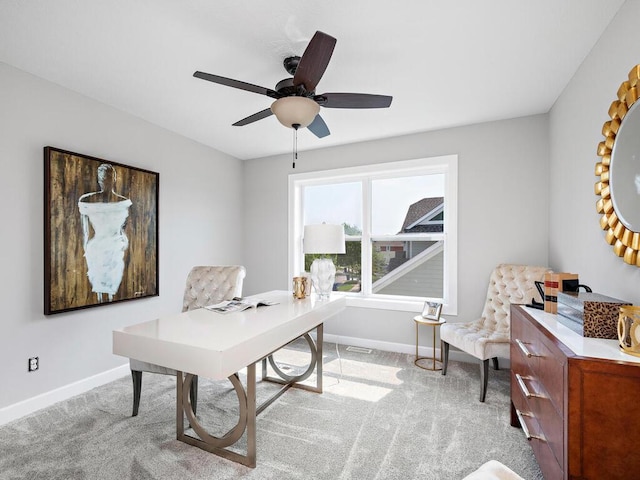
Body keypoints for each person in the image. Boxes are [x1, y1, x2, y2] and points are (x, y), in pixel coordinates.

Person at [78, 163, 132, 303]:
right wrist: (87, 249)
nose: (105, 183)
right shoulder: (86, 201)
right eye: (103, 179)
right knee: (99, 286)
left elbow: (124, 229)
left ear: (114, 179)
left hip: (115, 248)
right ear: (98, 180)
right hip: (97, 249)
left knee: (113, 284)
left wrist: (123, 242)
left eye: (108, 179)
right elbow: (85, 231)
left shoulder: (123, 203)